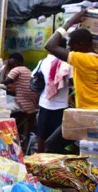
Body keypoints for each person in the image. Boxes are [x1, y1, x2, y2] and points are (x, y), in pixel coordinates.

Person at [44, 9, 98, 153]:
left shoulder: (84, 59)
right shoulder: (94, 59)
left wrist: (69, 22)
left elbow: (50, 45)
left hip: (88, 116)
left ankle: (69, 174)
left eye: (71, 45)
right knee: (81, 150)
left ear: (80, 45)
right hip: (89, 114)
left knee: (52, 145)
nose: (69, 49)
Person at [34, 39, 73, 153]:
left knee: (41, 134)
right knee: (56, 139)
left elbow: (34, 76)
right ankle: (53, 160)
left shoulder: (42, 62)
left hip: (44, 103)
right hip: (61, 106)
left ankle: (40, 159)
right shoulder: (67, 64)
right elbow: (72, 82)